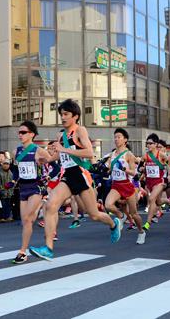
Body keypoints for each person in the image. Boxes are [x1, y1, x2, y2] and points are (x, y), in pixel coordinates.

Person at [29, 99, 121, 261]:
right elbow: (60, 154)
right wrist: (48, 159)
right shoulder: (60, 135)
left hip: (81, 174)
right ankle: (48, 248)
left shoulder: (80, 131)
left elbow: (89, 153)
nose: (63, 117)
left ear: (75, 116)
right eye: (61, 114)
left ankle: (114, 224)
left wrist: (64, 149)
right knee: (50, 205)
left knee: (93, 215)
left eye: (66, 114)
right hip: (67, 175)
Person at [11, 121, 52, 264]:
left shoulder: (39, 150)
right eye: (19, 132)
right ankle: (24, 253)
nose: (20, 135)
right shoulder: (16, 151)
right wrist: (13, 181)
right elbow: (16, 170)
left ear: (32, 134)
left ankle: (22, 251)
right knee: (26, 222)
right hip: (23, 188)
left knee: (28, 218)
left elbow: (53, 164)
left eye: (23, 132)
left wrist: (47, 176)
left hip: (36, 187)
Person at [104, 128, 146, 245]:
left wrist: (123, 168)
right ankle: (121, 216)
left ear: (125, 140)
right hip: (116, 185)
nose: (116, 139)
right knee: (108, 205)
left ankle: (141, 232)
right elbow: (109, 169)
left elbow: (134, 172)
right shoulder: (112, 154)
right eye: (115, 137)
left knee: (134, 214)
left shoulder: (129, 155)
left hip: (128, 186)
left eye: (119, 137)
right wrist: (104, 169)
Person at [142, 133, 169, 232]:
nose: (148, 145)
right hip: (149, 182)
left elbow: (169, 162)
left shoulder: (160, 154)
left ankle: (148, 223)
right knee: (158, 201)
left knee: (151, 199)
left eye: (151, 143)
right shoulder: (145, 156)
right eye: (147, 143)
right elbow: (141, 166)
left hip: (159, 182)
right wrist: (141, 169)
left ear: (156, 144)